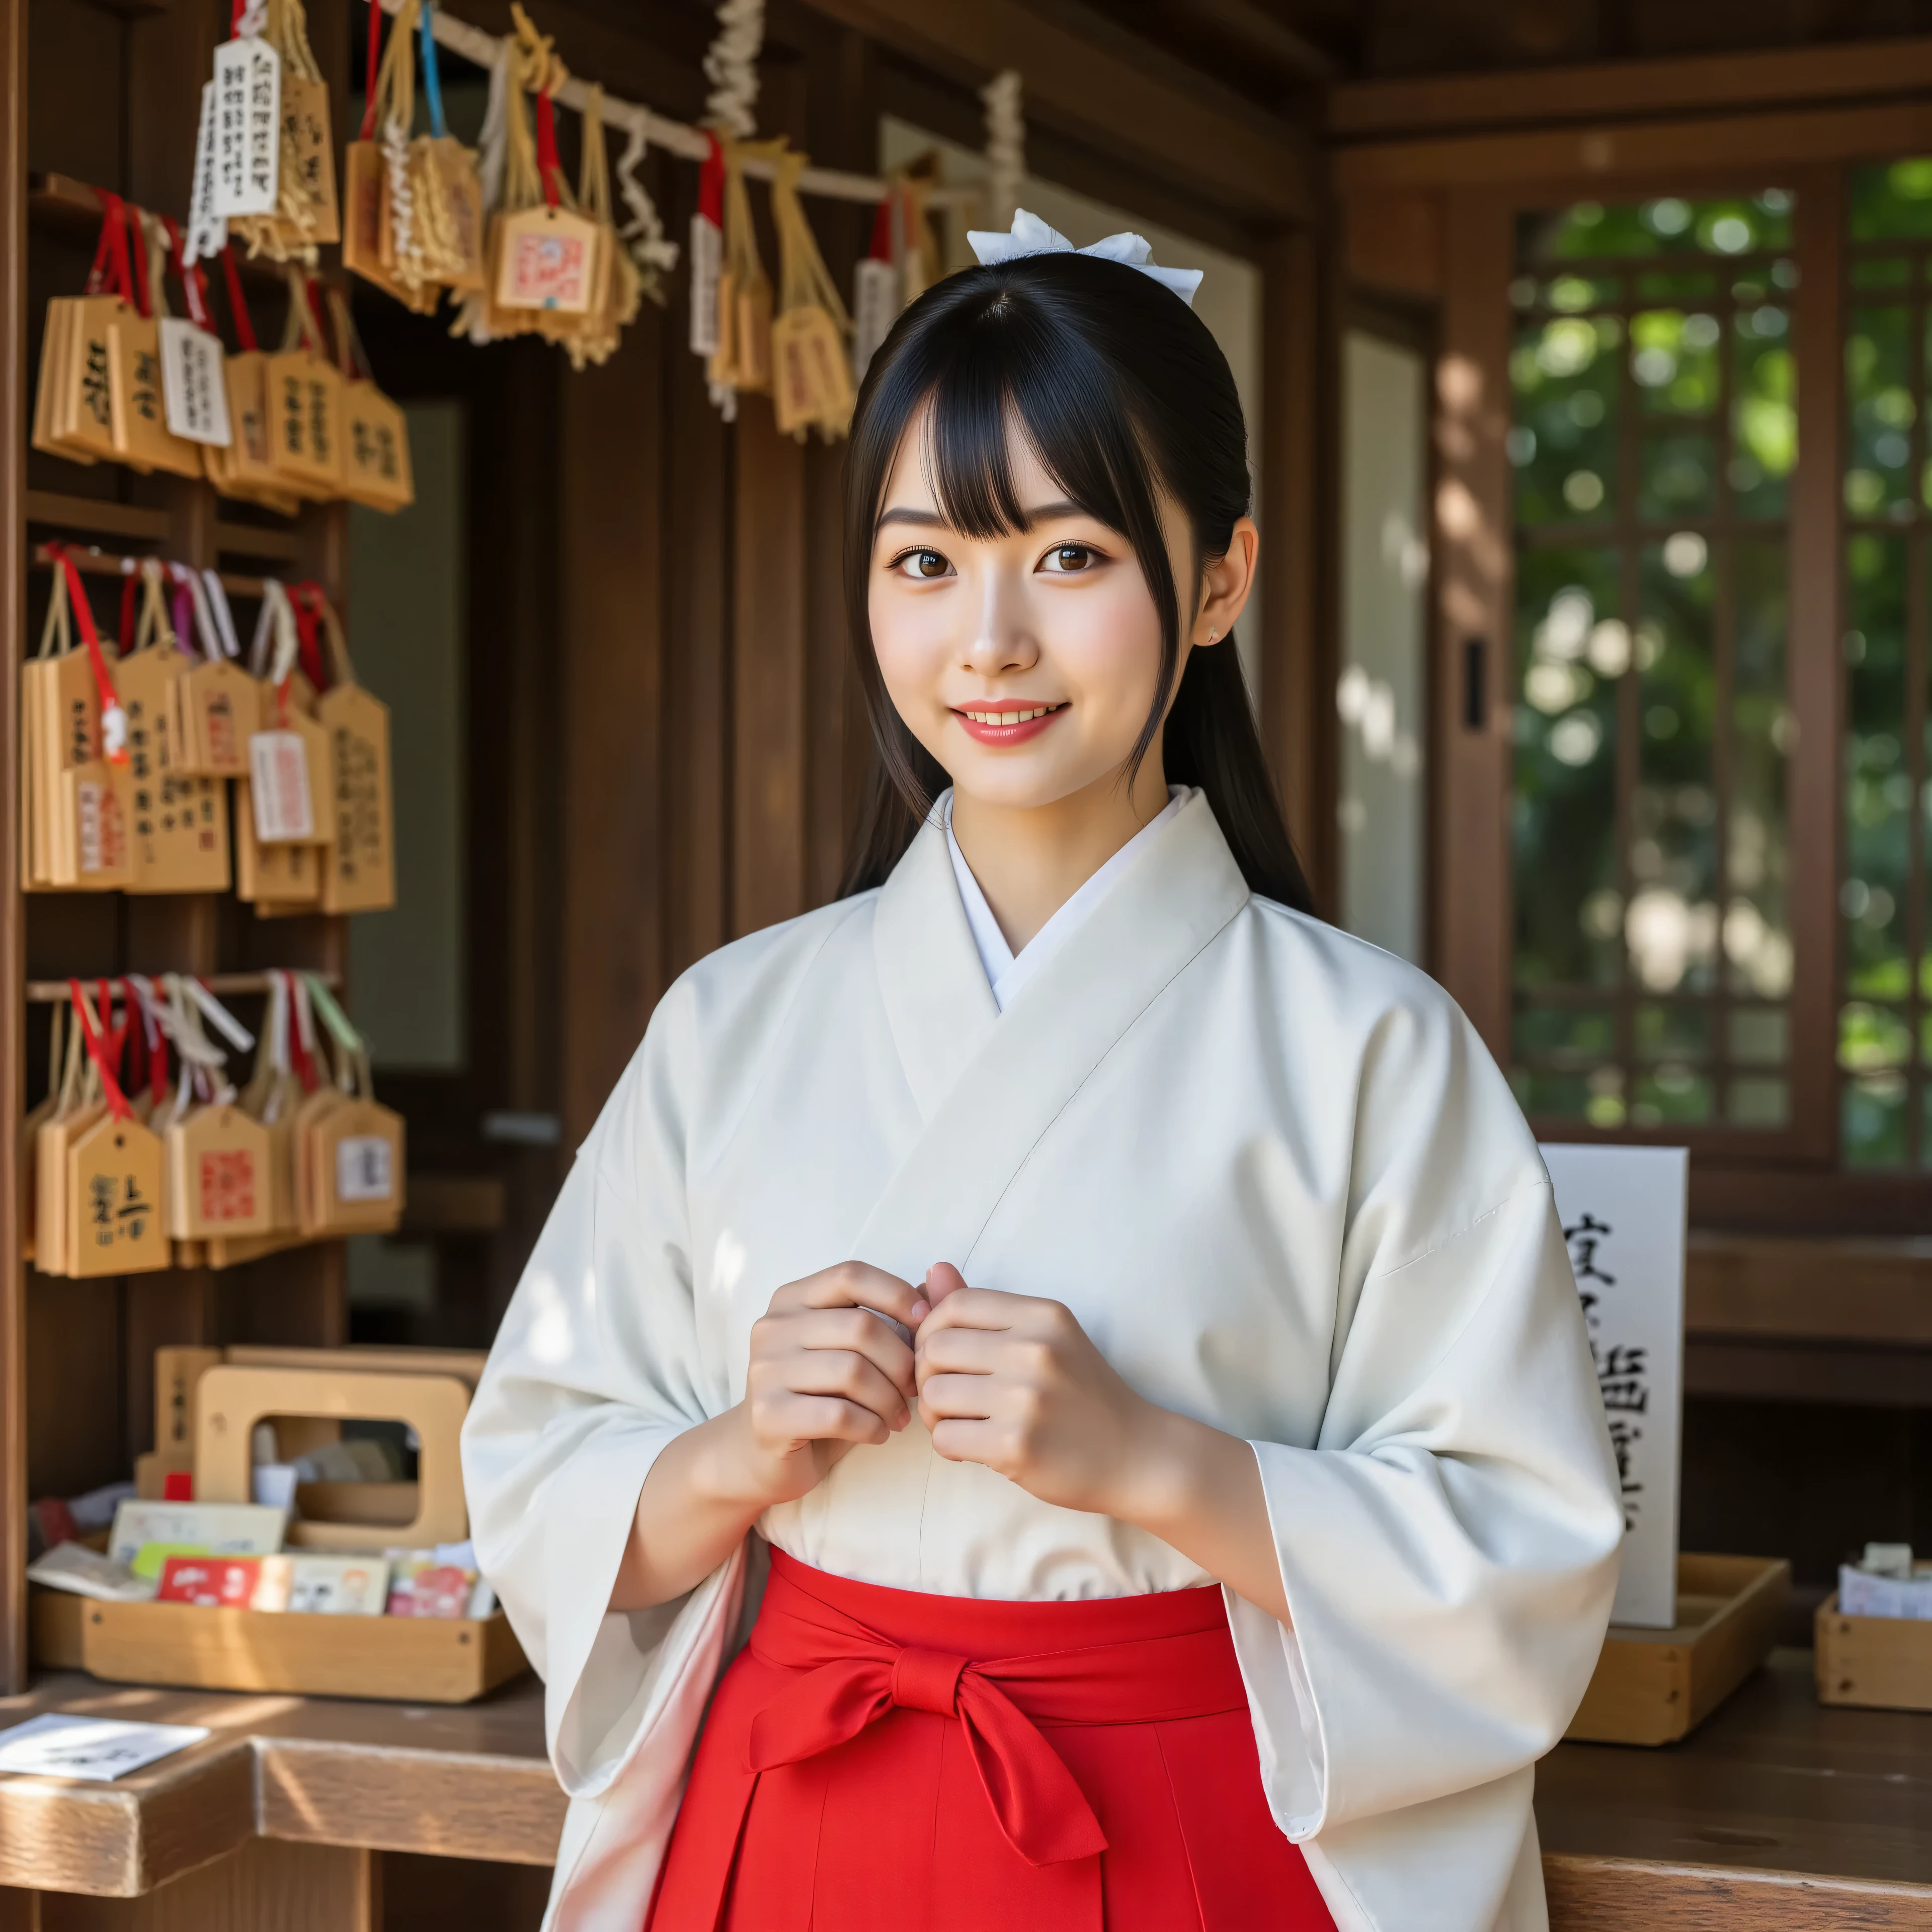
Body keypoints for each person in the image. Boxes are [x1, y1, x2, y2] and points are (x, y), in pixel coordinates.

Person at [461, 211, 1624, 1932]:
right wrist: (738, 1450)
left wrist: (1157, 1463)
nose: (987, 641)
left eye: (1070, 556)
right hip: (791, 1816)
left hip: (1177, 1836)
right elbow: (538, 1484)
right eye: (924, 561)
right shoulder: (729, 1024)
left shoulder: (1372, 1050)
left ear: (1219, 577)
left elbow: (1522, 1556)